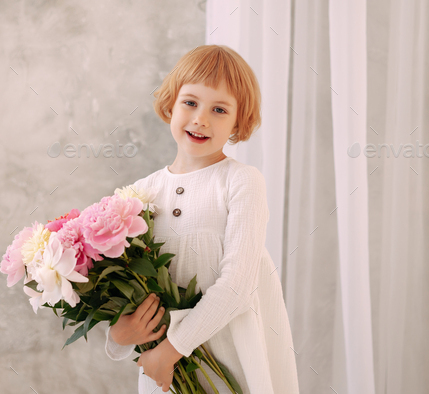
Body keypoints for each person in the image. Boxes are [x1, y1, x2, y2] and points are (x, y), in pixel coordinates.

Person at [104, 44, 300, 394]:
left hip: (229, 362)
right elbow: (124, 288)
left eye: (219, 109)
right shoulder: (138, 193)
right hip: (162, 375)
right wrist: (120, 335)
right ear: (171, 103)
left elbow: (237, 286)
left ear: (238, 122)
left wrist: (171, 351)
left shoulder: (241, 181)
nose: (201, 119)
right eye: (190, 102)